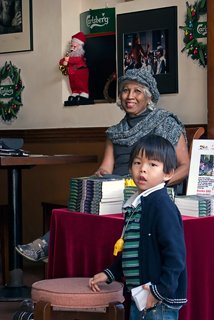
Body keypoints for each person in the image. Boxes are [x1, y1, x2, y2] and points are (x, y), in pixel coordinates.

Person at [15, 68, 189, 262]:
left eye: (137, 91)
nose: (130, 96)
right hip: (117, 188)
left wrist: (156, 186)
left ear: (149, 97)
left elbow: (185, 166)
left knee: (98, 206)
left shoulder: (166, 123)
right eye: (125, 90)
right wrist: (96, 181)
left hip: (151, 189)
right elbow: (105, 169)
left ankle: (50, 245)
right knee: (85, 200)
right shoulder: (114, 132)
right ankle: (52, 247)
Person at [89, 134, 187, 320]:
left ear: (168, 173)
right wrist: (110, 273)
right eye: (137, 163)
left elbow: (176, 256)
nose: (143, 170)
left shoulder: (161, 206)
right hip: (139, 296)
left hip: (158, 301)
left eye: (153, 165)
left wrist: (159, 292)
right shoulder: (137, 203)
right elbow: (133, 250)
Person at [59, 31, 92, 106]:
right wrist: (64, 61)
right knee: (73, 84)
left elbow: (76, 60)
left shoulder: (80, 57)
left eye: (74, 47)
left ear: (80, 47)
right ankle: (75, 92)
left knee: (81, 83)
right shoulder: (70, 56)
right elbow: (62, 61)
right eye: (71, 46)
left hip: (80, 72)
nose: (72, 48)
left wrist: (67, 60)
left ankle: (84, 93)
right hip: (72, 73)